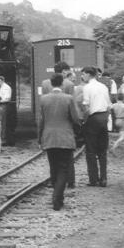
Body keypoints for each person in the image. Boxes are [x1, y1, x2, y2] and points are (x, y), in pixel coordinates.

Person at [38, 73, 81, 210]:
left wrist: (39, 138)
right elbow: (75, 118)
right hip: (65, 138)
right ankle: (57, 197)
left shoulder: (43, 99)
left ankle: (59, 197)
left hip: (49, 137)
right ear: (62, 83)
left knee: (53, 167)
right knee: (63, 168)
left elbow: (41, 121)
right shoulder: (68, 98)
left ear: (51, 84)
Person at [81, 66, 112, 187]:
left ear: (89, 74)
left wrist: (84, 121)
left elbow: (86, 107)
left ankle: (93, 179)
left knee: (91, 150)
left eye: (83, 74)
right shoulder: (103, 87)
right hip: (104, 117)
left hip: (93, 119)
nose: (82, 76)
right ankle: (103, 178)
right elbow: (109, 105)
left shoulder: (87, 88)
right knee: (103, 151)